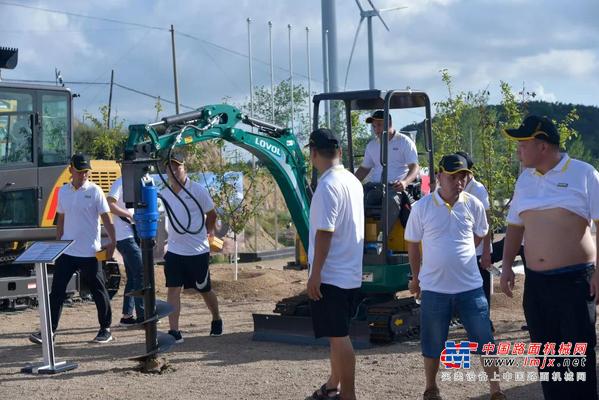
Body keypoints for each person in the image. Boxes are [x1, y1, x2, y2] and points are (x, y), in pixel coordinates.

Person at [500, 115, 599, 400]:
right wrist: (506, 267)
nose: (518, 150)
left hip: (575, 282)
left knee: (577, 357)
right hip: (537, 284)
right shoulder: (525, 180)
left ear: (542, 145)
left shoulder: (583, 173)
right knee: (547, 358)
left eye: (522, 143)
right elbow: (515, 226)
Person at [405, 153, 505, 400]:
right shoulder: (421, 208)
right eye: (453, 176)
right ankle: (431, 387)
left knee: (485, 339)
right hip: (434, 289)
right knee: (432, 342)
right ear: (439, 176)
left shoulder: (473, 204)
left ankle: (496, 390)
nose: (459, 181)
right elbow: (413, 245)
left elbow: (482, 231)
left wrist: (467, 251)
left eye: (463, 176)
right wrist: (415, 278)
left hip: (470, 287)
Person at [29, 153, 116, 344]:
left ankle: (106, 329)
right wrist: (57, 243)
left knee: (98, 290)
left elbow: (107, 219)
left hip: (90, 253)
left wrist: (113, 241)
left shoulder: (95, 191)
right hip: (66, 251)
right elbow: (61, 218)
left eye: (86, 172)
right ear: (71, 170)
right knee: (57, 291)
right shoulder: (63, 192)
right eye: (80, 171)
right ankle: (49, 332)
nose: (84, 175)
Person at [305, 128, 364, 400]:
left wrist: (315, 274)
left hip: (332, 274)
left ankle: (348, 395)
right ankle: (333, 385)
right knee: (335, 333)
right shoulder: (352, 181)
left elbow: (325, 233)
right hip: (350, 270)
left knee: (339, 337)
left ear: (313, 153)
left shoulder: (327, 186)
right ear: (339, 152)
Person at [159, 151, 222, 343]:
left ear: (184, 167)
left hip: (197, 251)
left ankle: (216, 317)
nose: (174, 170)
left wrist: (208, 232)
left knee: (204, 289)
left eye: (177, 166)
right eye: (170, 167)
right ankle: (174, 330)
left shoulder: (197, 190)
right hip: (175, 250)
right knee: (173, 289)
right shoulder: (165, 193)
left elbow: (212, 214)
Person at [455, 151, 494, 330]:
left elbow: (487, 221)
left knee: (482, 288)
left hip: (479, 250)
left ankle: (485, 322)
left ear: (470, 172)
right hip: (464, 249)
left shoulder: (477, 189)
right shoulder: (456, 189)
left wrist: (486, 251)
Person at [107, 176, 144, 326]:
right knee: (141, 272)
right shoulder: (121, 182)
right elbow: (110, 204)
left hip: (134, 234)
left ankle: (127, 316)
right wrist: (130, 215)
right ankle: (143, 315)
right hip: (125, 236)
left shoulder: (141, 181)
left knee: (132, 276)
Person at [354, 110, 419, 192]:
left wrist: (405, 182)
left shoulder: (404, 142)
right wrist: (350, 184)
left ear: (390, 124)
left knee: (391, 202)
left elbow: (414, 167)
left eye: (379, 125)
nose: (376, 130)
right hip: (375, 188)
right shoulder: (371, 145)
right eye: (374, 126)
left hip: (396, 189)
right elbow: (364, 169)